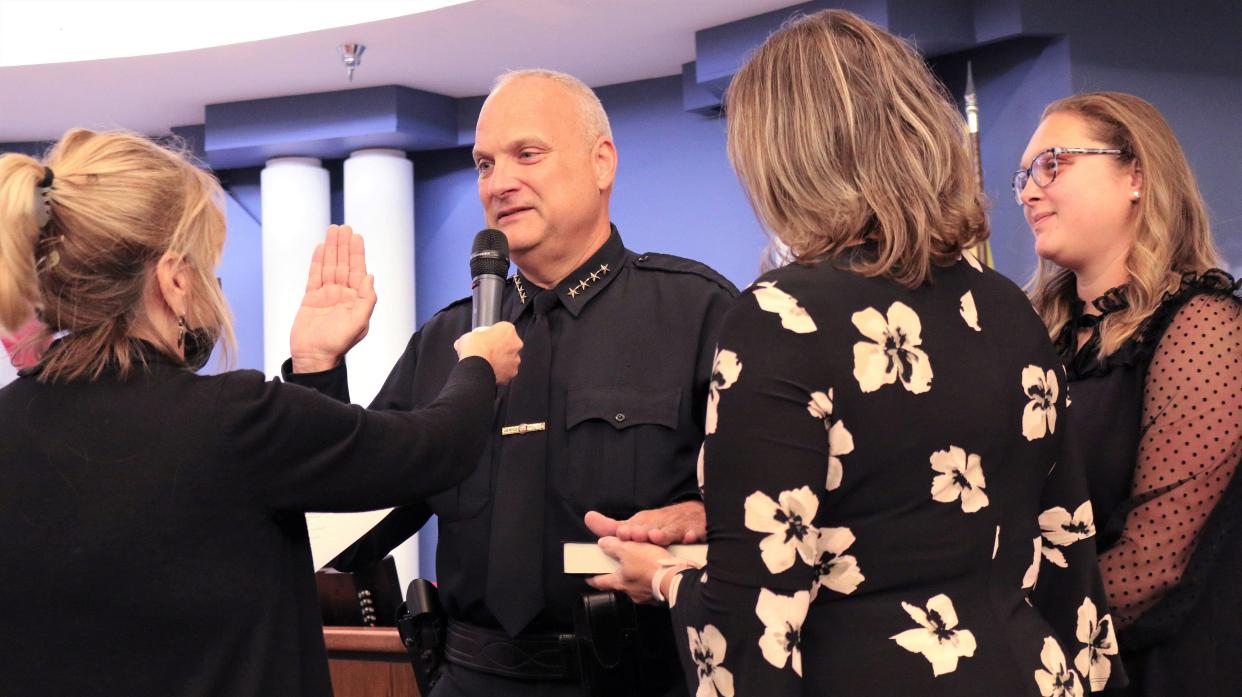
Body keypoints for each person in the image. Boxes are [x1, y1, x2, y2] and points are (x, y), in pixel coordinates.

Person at [588, 10, 1127, 696]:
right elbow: (1069, 560)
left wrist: (663, 577)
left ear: (783, 158)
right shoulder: (1009, 309)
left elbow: (752, 624)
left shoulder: (781, 316)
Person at [0, 129, 522, 697]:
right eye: (205, 264)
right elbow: (432, 449)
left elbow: (318, 485)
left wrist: (316, 361)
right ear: (174, 280)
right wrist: (480, 364)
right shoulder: (231, 420)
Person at [283, 69, 736, 697]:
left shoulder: (696, 312)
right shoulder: (447, 340)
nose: (499, 183)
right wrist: (317, 369)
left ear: (601, 163)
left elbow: (777, 517)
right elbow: (344, 530)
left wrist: (706, 516)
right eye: (484, 164)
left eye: (527, 154)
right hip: (470, 677)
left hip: (639, 676)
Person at [1018, 92, 1242, 696]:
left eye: (1052, 164)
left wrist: (1015, 637)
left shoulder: (1204, 324)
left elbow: (1157, 559)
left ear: (1135, 175)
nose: (1029, 192)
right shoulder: (1030, 336)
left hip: (1154, 671)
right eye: (1024, 176)